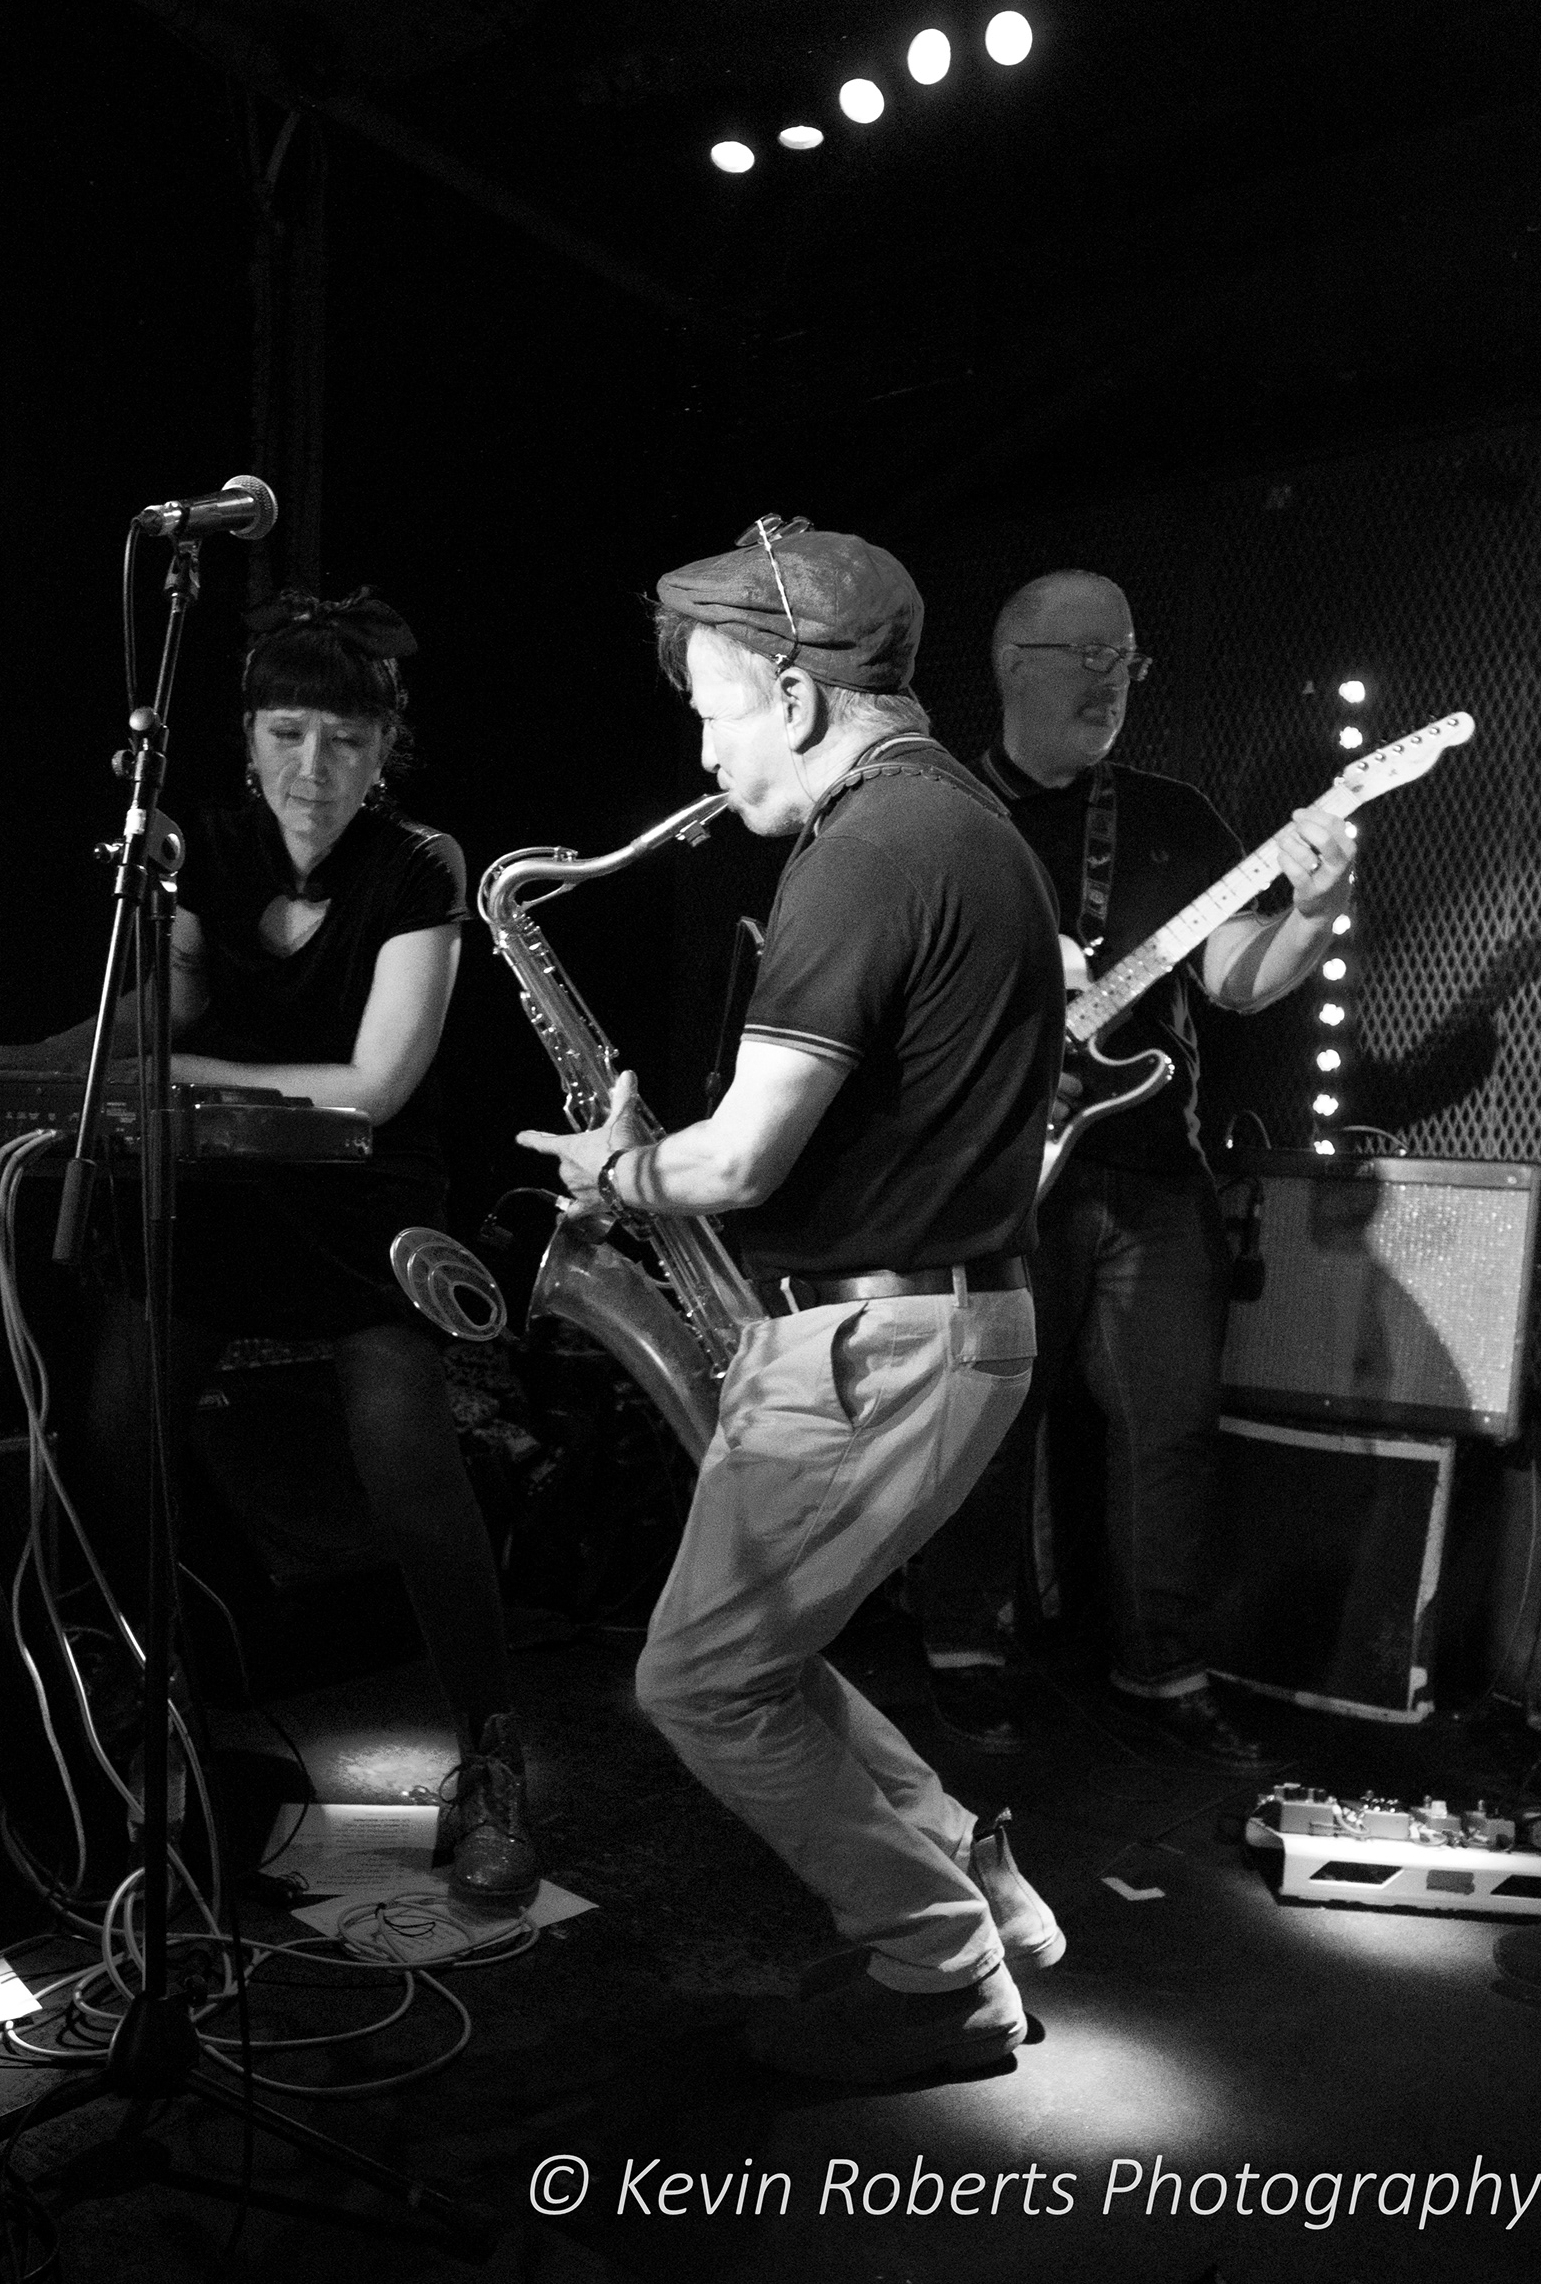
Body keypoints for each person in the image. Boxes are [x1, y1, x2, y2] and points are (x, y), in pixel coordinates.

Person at [519, 517, 1066, 2086]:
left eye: (715, 710)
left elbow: (744, 1157)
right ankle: (975, 1872)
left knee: (698, 1680)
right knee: (760, 1650)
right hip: (923, 1324)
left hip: (883, 1339)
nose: (705, 751)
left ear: (797, 693)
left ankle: (941, 1964)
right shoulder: (961, 827)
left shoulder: (870, 847)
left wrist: (620, 1173)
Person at [0, 590, 535, 1902]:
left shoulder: (421, 863)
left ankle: (491, 1754)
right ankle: (149, 1715)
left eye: (344, 740)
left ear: (384, 750)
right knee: (114, 1426)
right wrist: (43, 1059)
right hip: (217, 1190)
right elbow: (168, 1002)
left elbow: (375, 1085)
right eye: (286, 734)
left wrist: (190, 1078)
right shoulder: (201, 845)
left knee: (403, 1449)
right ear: (249, 738)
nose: (313, 766)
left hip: (362, 1199)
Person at [910, 569, 1356, 1765]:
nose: (1113, 681)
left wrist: (1316, 910)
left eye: (1129, 659)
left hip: (1153, 1170)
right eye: (1089, 656)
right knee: (983, 1420)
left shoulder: (1170, 815)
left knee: (1172, 1429)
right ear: (1013, 662)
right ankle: (963, 1651)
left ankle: (1164, 1668)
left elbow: (1236, 980)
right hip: (997, 1174)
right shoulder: (941, 811)